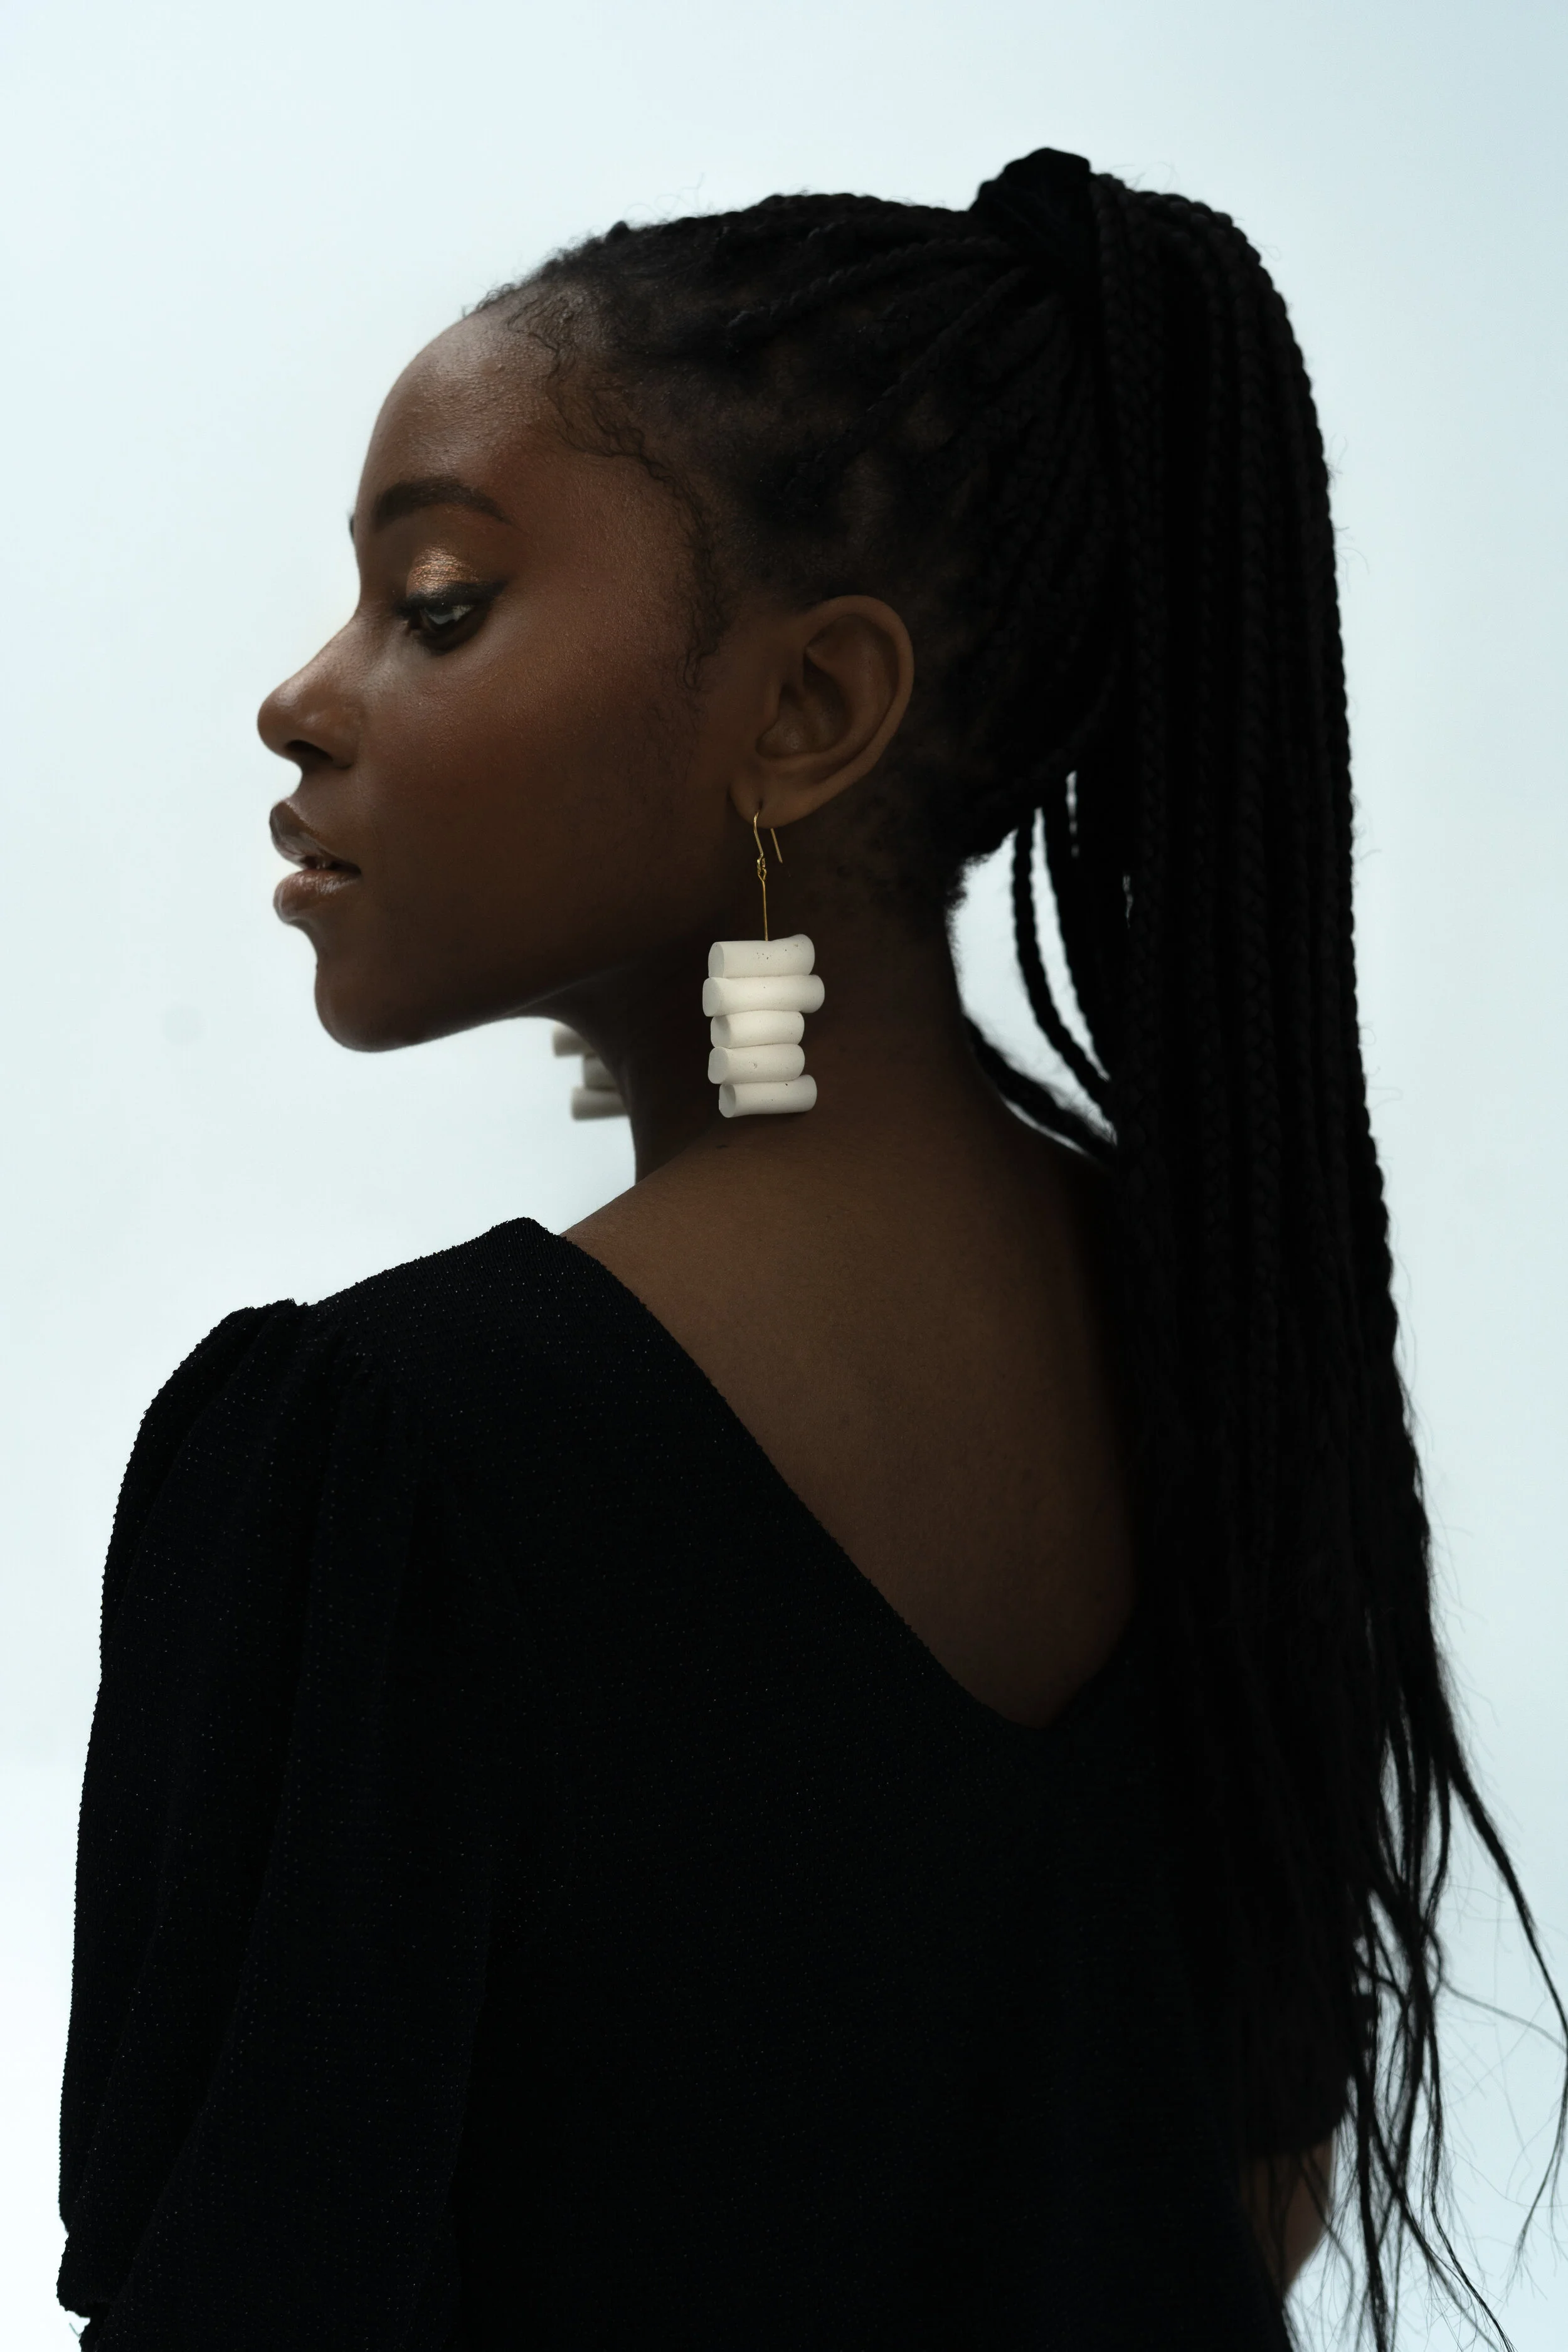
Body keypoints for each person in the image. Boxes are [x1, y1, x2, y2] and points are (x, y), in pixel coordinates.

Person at [56, 149, 1560, 2349]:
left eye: (438, 601)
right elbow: (1254, 2189)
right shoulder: (1226, 1336)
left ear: (806, 712)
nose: (304, 697)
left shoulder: (388, 1464)